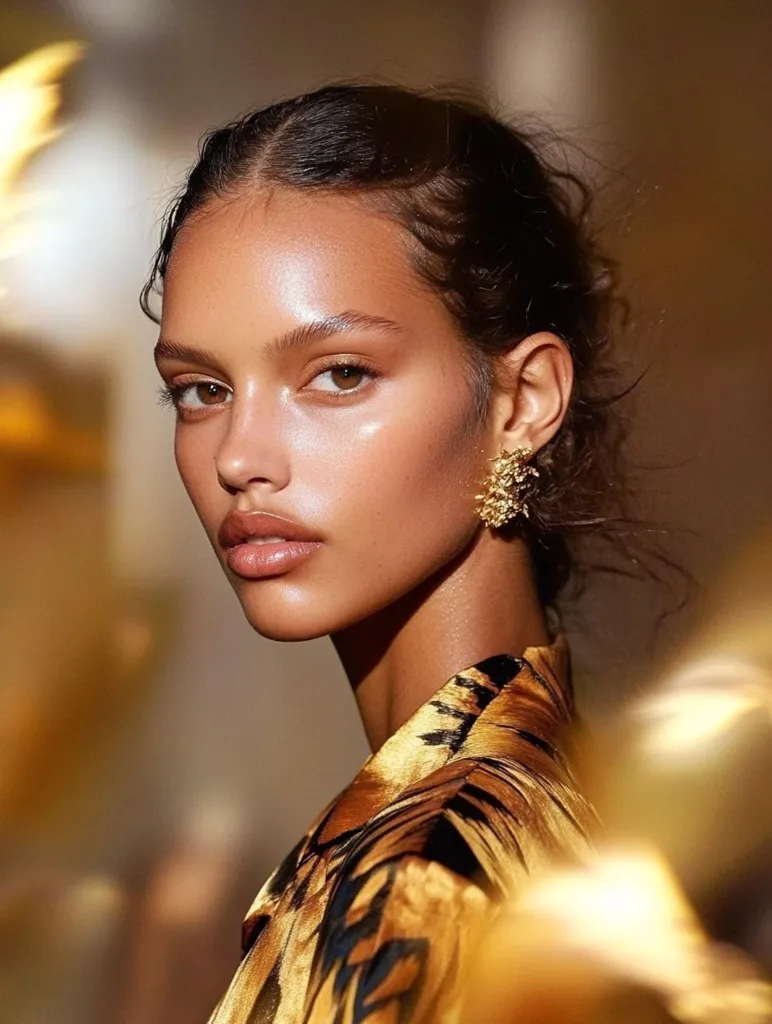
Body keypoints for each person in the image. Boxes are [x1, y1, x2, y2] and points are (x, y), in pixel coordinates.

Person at [142, 82, 626, 1023]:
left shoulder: (414, 891)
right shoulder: (567, 807)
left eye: (340, 374)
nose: (239, 457)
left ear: (521, 402)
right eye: (201, 389)